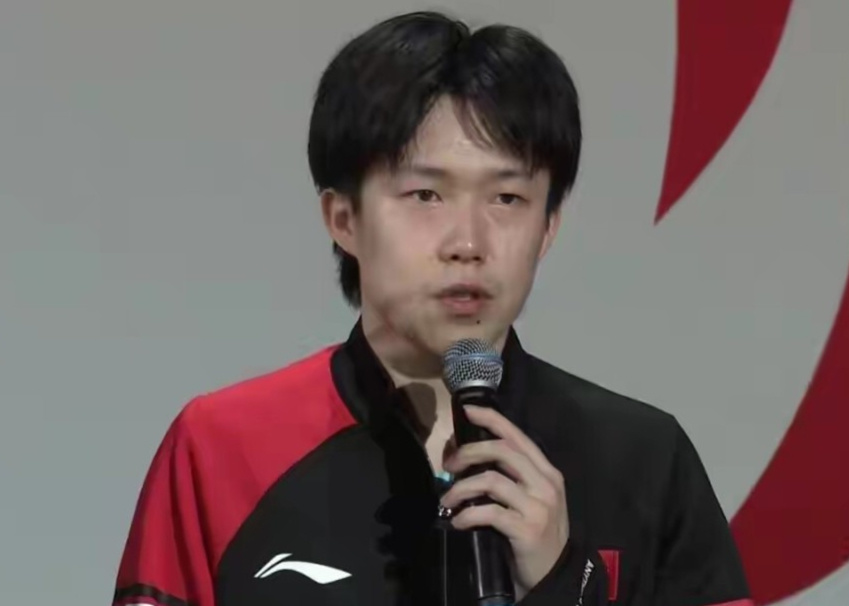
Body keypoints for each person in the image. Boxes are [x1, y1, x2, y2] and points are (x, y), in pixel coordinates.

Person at [112, 10, 752, 606]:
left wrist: (564, 582)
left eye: (507, 199)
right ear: (344, 218)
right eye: (425, 195)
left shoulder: (644, 461)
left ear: (548, 227)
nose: (468, 243)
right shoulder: (220, 448)